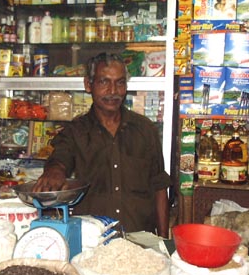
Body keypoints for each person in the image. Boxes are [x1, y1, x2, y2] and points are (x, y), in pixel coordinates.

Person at [33, 53, 171, 237]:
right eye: (104, 82)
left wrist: (163, 240)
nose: (113, 91)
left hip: (140, 242)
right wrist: (55, 170)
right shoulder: (76, 132)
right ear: (88, 85)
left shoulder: (145, 130)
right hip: (93, 243)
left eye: (120, 82)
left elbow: (160, 188)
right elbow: (60, 158)